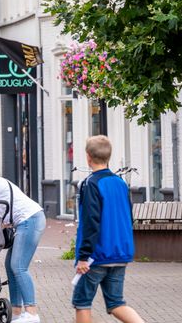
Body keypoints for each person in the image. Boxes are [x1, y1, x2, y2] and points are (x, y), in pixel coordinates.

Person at [73, 136, 143, 323]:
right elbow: (128, 216)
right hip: (120, 252)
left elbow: (90, 222)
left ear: (88, 157)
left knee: (82, 302)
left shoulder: (90, 184)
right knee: (116, 303)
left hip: (96, 255)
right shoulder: (121, 183)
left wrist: (83, 256)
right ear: (108, 156)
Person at [0, 176, 46, 323]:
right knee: (11, 266)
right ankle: (16, 312)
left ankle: (32, 313)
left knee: (19, 266)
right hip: (27, 220)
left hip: (30, 220)